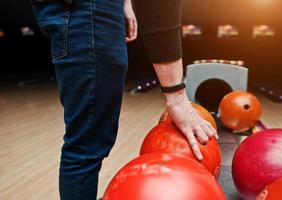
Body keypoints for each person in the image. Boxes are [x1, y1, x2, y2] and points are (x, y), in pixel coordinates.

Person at [31, 0, 218, 199]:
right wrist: (177, 96)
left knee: (89, 141)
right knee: (86, 144)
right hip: (86, 8)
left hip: (90, 8)